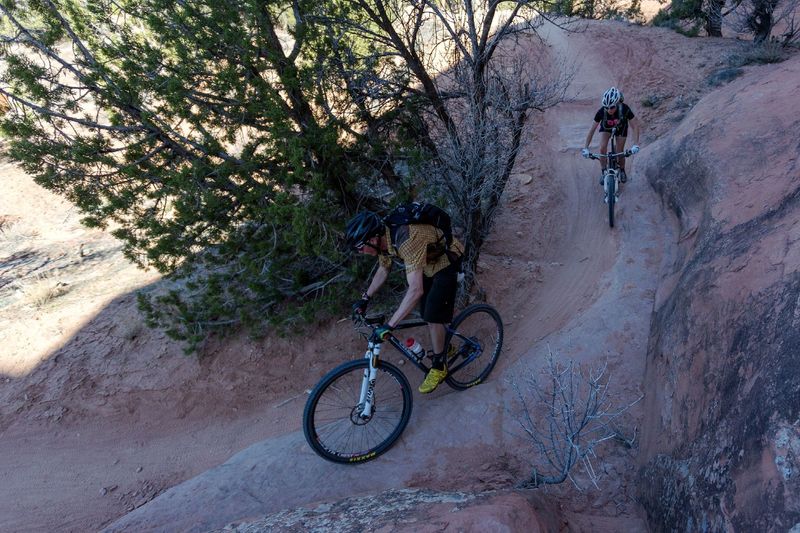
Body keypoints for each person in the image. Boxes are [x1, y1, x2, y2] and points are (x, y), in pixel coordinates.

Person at [345, 209, 464, 394]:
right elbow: (384, 269)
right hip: (428, 263)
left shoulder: (406, 240)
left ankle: (440, 366)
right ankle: (447, 347)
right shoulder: (385, 239)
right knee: (426, 312)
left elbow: (415, 290)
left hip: (446, 260)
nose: (360, 252)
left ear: (372, 240)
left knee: (433, 315)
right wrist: (365, 298)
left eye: (360, 247)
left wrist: (390, 325)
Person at [581, 87, 641, 184]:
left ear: (617, 103)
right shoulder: (601, 112)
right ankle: (603, 171)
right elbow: (591, 130)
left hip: (621, 129)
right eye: (606, 107)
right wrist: (586, 148)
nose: (609, 110)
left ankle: (622, 170)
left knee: (620, 152)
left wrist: (636, 144)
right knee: (602, 148)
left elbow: (635, 126)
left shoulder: (624, 108)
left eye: (612, 107)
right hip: (606, 129)